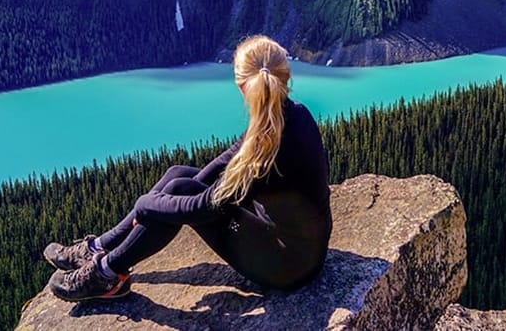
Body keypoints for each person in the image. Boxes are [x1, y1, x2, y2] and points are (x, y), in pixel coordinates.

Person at [42, 35, 332, 301]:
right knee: (179, 174)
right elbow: (228, 158)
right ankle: (99, 248)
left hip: (285, 265)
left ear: (242, 85)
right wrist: (171, 194)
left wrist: (147, 204)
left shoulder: (266, 147)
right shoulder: (292, 114)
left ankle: (106, 274)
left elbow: (205, 208)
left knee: (179, 190)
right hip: (296, 248)